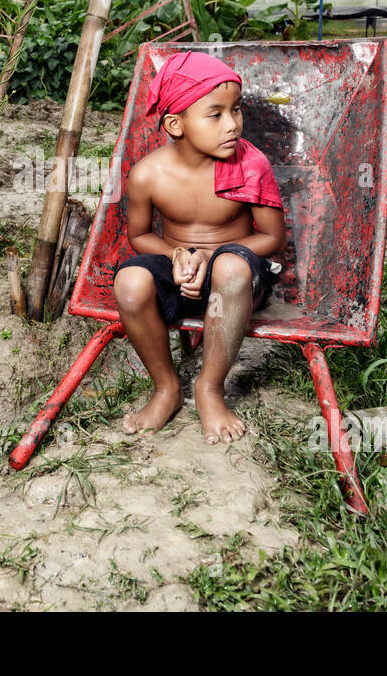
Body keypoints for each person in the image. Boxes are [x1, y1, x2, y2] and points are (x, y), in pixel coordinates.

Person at [112, 50, 286, 445]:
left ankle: (209, 388)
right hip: (180, 277)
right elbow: (138, 235)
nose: (233, 125)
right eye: (216, 114)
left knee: (230, 268)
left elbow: (272, 239)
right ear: (176, 124)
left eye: (237, 110)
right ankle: (166, 388)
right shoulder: (148, 174)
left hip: (233, 283)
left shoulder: (249, 165)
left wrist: (210, 256)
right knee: (130, 282)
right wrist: (176, 255)